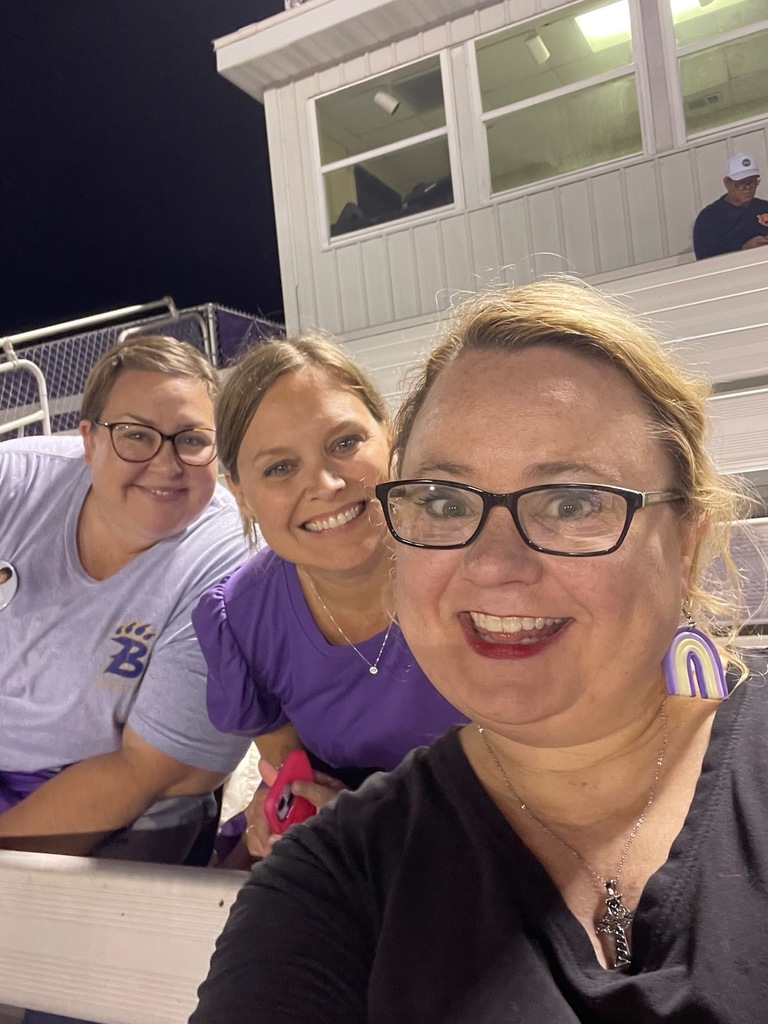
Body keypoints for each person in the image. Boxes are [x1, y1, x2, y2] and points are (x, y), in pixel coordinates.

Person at [191, 280, 768, 1023]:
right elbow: (285, 767)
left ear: (686, 541)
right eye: (446, 501)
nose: (494, 565)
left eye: (571, 501)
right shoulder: (341, 881)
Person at [191, 334, 465, 861]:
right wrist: (291, 809)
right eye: (279, 468)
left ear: (389, 436)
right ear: (240, 494)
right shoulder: (243, 619)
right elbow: (294, 776)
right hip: (358, 855)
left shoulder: (479, 557)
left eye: (344, 443)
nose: (325, 483)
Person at [0, 335, 250, 863]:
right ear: (89, 441)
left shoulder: (228, 562)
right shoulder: (14, 482)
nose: (165, 463)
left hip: (91, 790)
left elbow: (146, 770)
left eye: (190, 439)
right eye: (136, 435)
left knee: (170, 806)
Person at [693, 152, 768, 259]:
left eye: (752, 182)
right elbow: (705, 259)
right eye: (741, 184)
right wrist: (742, 249)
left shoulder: (764, 207)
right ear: (726, 183)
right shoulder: (709, 218)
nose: (747, 188)